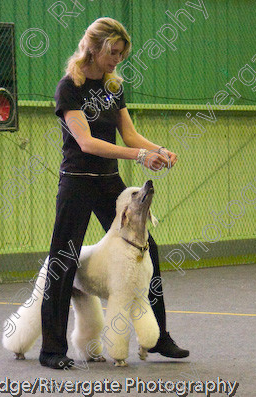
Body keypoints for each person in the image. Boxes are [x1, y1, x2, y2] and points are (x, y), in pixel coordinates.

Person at [39, 17, 189, 370]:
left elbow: (130, 136)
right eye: (113, 52)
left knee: (146, 247)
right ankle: (51, 349)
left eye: (121, 54)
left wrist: (159, 149)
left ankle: (158, 338)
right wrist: (139, 156)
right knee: (64, 258)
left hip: (108, 182)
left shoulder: (113, 88)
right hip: (76, 180)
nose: (117, 60)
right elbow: (87, 142)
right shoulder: (69, 88)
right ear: (93, 47)